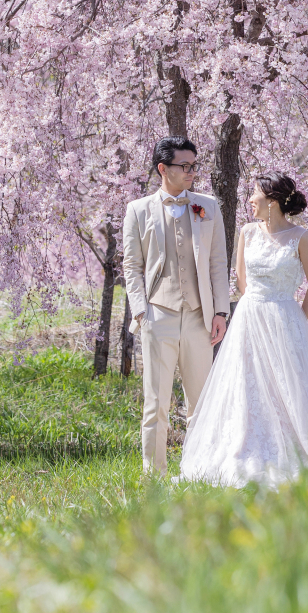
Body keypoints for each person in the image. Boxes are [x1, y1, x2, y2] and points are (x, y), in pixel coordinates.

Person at [179, 171, 308, 487]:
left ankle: (293, 447)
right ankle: (243, 445)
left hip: (285, 318)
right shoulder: (247, 232)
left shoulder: (301, 237)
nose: (250, 200)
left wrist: (297, 320)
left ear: (272, 201)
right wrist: (254, 307)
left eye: (255, 195)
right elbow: (242, 279)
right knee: (246, 383)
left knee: (289, 385)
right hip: (250, 317)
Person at [122, 136, 230, 476]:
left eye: (193, 165)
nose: (191, 172)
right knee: (156, 404)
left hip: (200, 318)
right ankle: (154, 474)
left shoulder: (208, 206)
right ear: (162, 169)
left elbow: (217, 263)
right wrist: (141, 311)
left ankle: (199, 470)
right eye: (184, 166)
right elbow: (132, 266)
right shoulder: (138, 210)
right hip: (158, 315)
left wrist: (221, 312)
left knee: (201, 402)